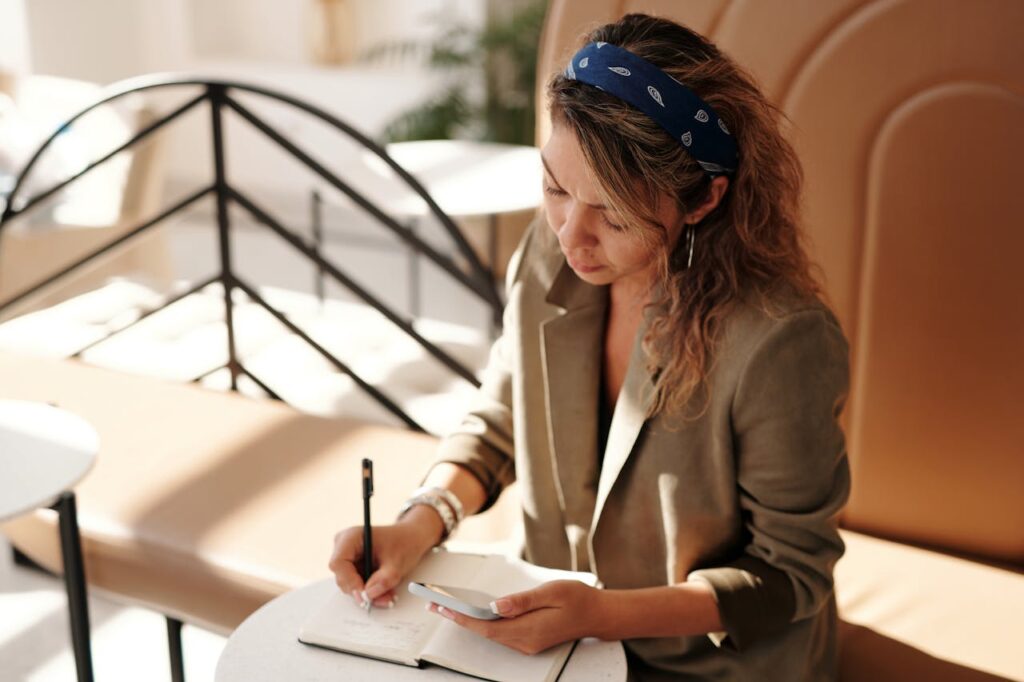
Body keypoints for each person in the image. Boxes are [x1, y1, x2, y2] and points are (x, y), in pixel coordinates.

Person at [330, 13, 850, 681]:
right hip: (548, 639)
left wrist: (599, 614)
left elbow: (790, 575)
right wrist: (419, 523)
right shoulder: (550, 256)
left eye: (614, 215)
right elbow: (502, 421)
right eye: (554, 188)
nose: (571, 235)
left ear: (703, 199)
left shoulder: (780, 340)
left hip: (707, 665)